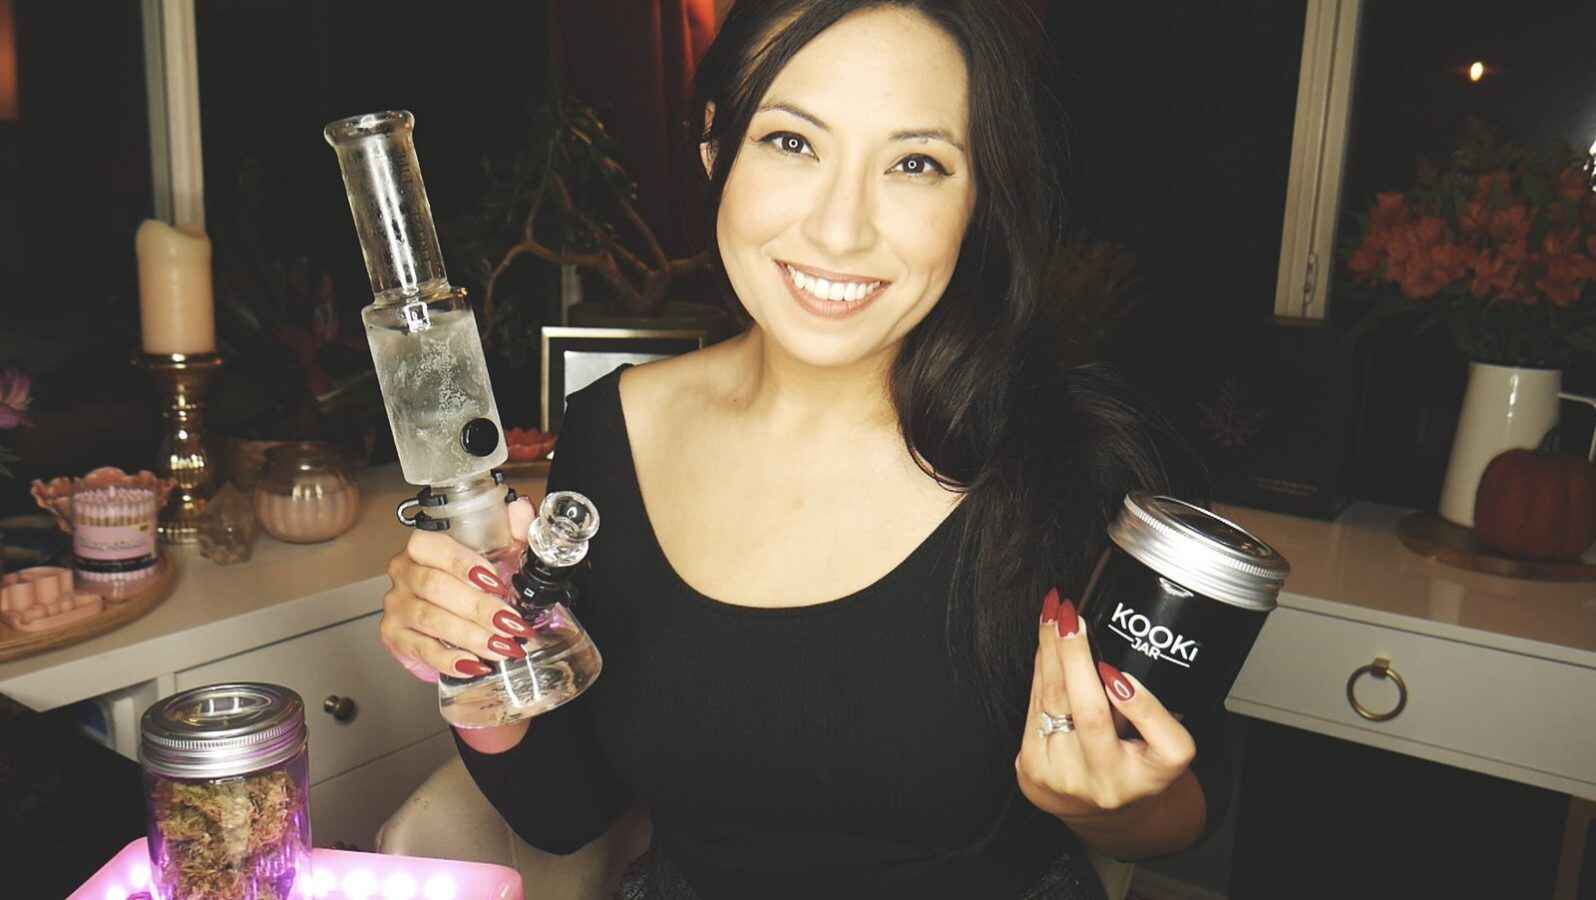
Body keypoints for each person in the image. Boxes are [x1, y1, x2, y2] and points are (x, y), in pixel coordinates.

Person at [378, 2, 1229, 897]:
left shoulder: (1079, 457)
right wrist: (475, 665)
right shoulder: (610, 434)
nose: (840, 230)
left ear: (978, 201)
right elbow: (567, 813)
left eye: (915, 163)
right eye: (792, 143)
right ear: (716, 149)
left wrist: (1110, 807)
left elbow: (1184, 819)